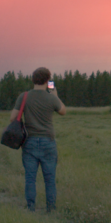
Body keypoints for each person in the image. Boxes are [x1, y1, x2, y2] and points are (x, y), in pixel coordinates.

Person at [10, 67, 66, 212]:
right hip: (48, 142)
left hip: (29, 142)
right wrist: (55, 95)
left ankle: (31, 208)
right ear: (48, 81)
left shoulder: (24, 96)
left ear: (33, 79)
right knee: (49, 179)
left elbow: (12, 118)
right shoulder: (51, 97)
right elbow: (63, 111)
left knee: (30, 178)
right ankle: (51, 209)